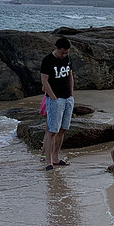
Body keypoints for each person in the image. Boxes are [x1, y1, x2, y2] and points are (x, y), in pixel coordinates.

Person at [40, 37, 75, 171]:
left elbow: (70, 74)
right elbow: (44, 81)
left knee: (62, 129)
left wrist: (71, 93)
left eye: (66, 52)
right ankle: (48, 161)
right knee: (52, 131)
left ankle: (56, 157)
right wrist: (53, 97)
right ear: (56, 48)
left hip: (67, 98)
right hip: (55, 99)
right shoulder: (48, 60)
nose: (64, 55)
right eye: (62, 52)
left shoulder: (68, 58)